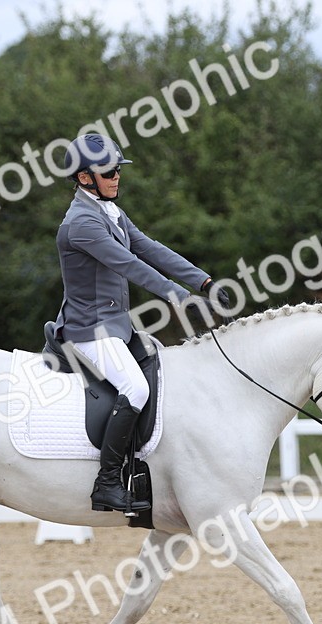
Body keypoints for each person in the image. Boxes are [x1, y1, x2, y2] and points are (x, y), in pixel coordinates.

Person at [53, 133, 232, 513]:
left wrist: (203, 281)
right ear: (85, 178)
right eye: (109, 172)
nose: (117, 176)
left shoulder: (109, 211)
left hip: (117, 326)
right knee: (135, 389)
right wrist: (179, 298)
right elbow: (129, 264)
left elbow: (148, 247)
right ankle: (106, 484)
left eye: (118, 169)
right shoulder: (81, 222)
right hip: (89, 330)